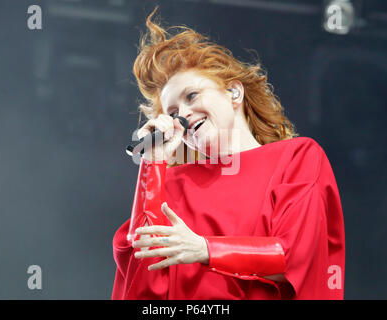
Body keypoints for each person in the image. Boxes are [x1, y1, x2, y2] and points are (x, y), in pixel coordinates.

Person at [112, 8, 345, 300]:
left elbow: (298, 257)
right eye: (172, 112)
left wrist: (205, 249)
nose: (182, 115)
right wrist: (153, 163)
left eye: (191, 96)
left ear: (234, 92)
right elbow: (142, 278)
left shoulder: (296, 158)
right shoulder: (174, 183)